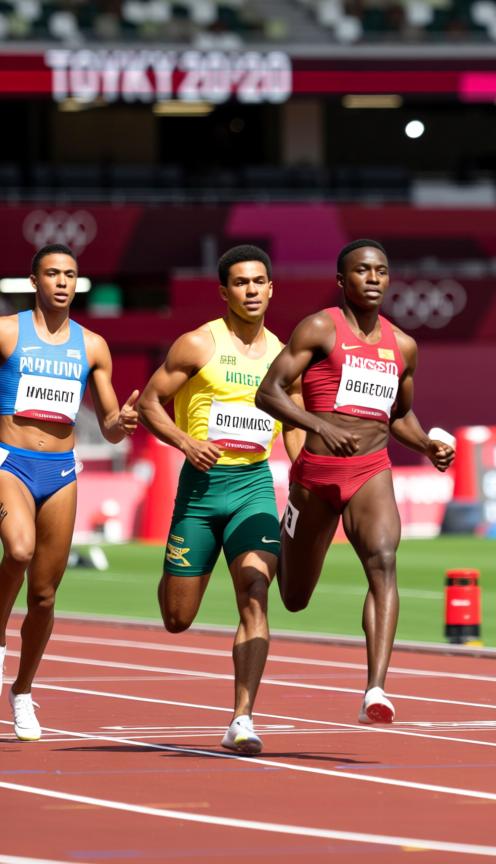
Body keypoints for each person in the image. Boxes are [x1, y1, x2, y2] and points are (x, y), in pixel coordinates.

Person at [255, 239, 454, 724]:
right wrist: (319, 425)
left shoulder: (402, 345)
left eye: (381, 271)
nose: (373, 279)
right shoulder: (320, 328)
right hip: (315, 477)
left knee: (383, 562)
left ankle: (376, 689)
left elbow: (399, 416)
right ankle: (280, 542)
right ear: (343, 281)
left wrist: (426, 444)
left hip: (370, 471)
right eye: (362, 271)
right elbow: (268, 392)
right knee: (295, 598)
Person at [138, 245, 303, 755]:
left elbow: (294, 424)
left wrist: (306, 474)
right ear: (224, 291)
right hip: (200, 492)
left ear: (272, 288)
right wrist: (186, 441)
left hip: (253, 486)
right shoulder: (197, 344)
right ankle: (174, 570)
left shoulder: (285, 355)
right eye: (240, 283)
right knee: (177, 618)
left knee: (255, 590)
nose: (251, 290)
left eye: (259, 282)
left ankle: (242, 719)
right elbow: (147, 403)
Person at [0, 243, 139, 742]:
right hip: (9, 461)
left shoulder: (93, 346)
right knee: (18, 549)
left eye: (70, 275)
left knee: (44, 593)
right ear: (33, 280)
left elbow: (109, 425)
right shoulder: (7, 332)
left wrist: (122, 422)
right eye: (52, 273)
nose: (61, 282)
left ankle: (22, 691)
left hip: (59, 469)